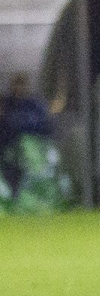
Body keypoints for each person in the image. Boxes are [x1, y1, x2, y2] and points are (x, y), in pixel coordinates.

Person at [0, 73, 53, 201]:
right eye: (16, 84)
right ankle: (14, 199)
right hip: (10, 151)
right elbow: (6, 126)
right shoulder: (7, 105)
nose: (19, 88)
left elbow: (45, 125)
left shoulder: (34, 105)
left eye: (22, 84)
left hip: (34, 151)